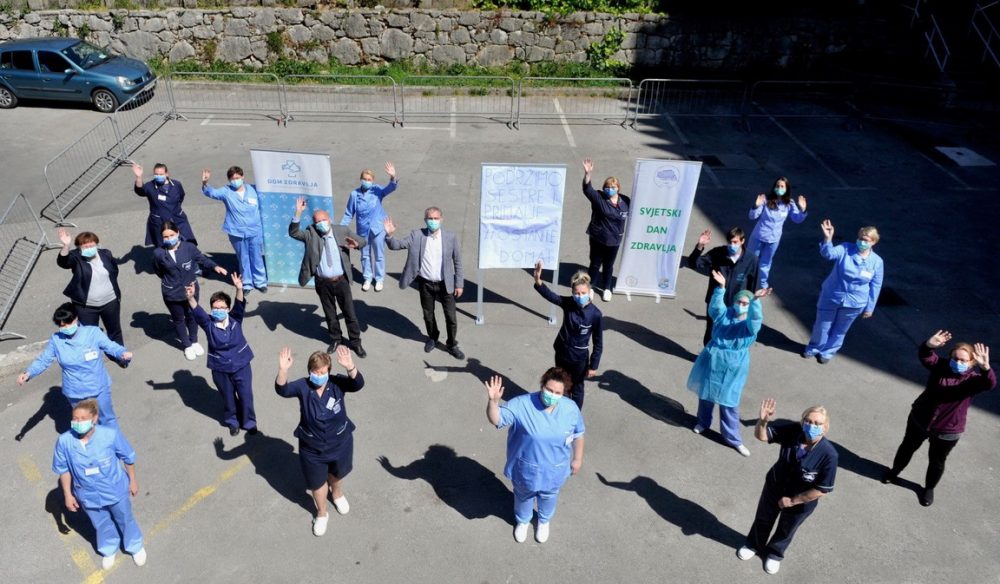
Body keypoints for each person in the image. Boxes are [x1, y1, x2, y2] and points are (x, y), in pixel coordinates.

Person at [881, 331, 994, 506]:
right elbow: (926, 357)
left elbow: (989, 384)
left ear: (972, 362)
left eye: (963, 360)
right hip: (920, 419)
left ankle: (929, 488)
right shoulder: (941, 367)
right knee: (907, 448)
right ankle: (894, 472)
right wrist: (929, 345)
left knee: (937, 460)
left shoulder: (974, 380)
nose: (958, 363)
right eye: (955, 359)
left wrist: (986, 368)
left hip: (948, 429)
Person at [484, 368, 585, 544]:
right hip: (526, 468)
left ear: (564, 393)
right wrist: (493, 402)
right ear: (542, 385)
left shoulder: (570, 408)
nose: (552, 395)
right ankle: (523, 521)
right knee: (523, 496)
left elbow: (578, 434)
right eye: (549, 389)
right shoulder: (522, 404)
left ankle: (544, 521)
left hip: (555, 469)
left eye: (557, 392)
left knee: (549, 496)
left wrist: (577, 459)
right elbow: (497, 419)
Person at [738, 398, 837, 575]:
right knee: (763, 518)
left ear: (825, 427)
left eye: (817, 423)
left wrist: (792, 501)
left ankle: (775, 554)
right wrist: (763, 421)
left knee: (787, 528)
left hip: (801, 500)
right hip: (775, 487)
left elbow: (822, 489)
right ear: (802, 421)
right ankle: (753, 544)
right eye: (808, 421)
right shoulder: (794, 431)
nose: (811, 425)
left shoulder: (829, 455)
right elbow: (762, 436)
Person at [275, 346, 364, 536]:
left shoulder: (337, 383)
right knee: (317, 483)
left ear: (329, 371)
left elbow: (358, 384)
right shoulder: (303, 386)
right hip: (312, 449)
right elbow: (282, 390)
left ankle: (337, 494)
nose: (319, 375)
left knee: (337, 474)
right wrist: (283, 370)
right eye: (315, 371)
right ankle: (322, 513)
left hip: (340, 444)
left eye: (323, 372)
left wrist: (350, 367)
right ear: (310, 371)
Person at [52, 399, 146, 570]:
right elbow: (63, 469)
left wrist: (133, 480)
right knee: (101, 523)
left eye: (82, 418)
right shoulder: (64, 441)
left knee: (125, 518)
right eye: (75, 418)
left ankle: (135, 546)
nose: (77, 422)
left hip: (114, 489)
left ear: (94, 419)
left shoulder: (110, 435)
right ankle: (109, 548)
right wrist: (68, 494)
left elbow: (128, 457)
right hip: (87, 494)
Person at [687, 271, 766, 456]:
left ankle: (733, 439)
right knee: (706, 394)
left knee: (729, 402)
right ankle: (703, 422)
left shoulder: (749, 324)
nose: (741, 305)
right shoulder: (725, 315)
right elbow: (715, 309)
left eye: (745, 303)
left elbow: (756, 320)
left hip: (734, 366)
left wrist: (755, 301)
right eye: (739, 302)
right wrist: (721, 289)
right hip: (713, 360)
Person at [18, 304, 132, 429]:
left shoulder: (92, 332)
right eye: (61, 325)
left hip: (98, 387)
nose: (65, 327)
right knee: (84, 425)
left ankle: (116, 446)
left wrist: (122, 353)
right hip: (75, 392)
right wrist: (28, 373)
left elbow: (111, 346)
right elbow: (43, 360)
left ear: (76, 318)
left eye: (68, 323)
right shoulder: (56, 340)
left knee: (107, 421)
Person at [289, 197, 368, 358]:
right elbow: (294, 233)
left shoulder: (342, 230)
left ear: (330, 219)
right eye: (318, 222)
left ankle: (355, 342)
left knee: (349, 313)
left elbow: (363, 241)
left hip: (341, 281)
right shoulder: (311, 233)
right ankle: (336, 339)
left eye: (324, 220)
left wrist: (356, 244)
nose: (321, 224)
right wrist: (298, 212)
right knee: (330, 313)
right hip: (323, 282)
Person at [384, 208, 465, 360]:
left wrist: (459, 283)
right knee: (428, 315)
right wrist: (389, 235)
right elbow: (397, 245)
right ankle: (433, 337)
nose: (433, 221)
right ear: (425, 220)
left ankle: (452, 344)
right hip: (425, 283)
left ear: (441, 219)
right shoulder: (417, 235)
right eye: (430, 218)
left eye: (435, 218)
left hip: (445, 283)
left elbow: (458, 261)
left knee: (451, 317)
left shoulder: (450, 237)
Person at [802, 220, 884, 364]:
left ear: (873, 242)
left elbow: (876, 285)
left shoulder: (877, 262)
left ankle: (828, 352)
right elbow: (828, 254)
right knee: (822, 325)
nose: (861, 242)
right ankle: (814, 348)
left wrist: (869, 308)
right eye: (860, 238)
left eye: (865, 240)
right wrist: (828, 239)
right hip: (831, 296)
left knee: (840, 330)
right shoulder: (846, 248)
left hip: (855, 302)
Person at [186, 273, 257, 436]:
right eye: (215, 308)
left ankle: (249, 422)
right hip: (220, 369)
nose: (218, 310)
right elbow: (197, 312)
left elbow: (239, 304)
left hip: (241, 366)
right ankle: (232, 421)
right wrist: (190, 297)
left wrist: (239, 288)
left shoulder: (235, 319)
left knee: (246, 396)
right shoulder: (208, 323)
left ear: (227, 309)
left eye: (222, 307)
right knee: (229, 398)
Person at [531, 260, 603, 411]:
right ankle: (560, 410)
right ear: (572, 292)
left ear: (589, 292)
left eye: (583, 293)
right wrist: (538, 281)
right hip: (562, 352)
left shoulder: (595, 314)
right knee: (561, 384)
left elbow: (598, 342)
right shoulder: (569, 303)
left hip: (579, 359)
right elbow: (552, 297)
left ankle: (574, 413)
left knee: (576, 388)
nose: (579, 296)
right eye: (576, 293)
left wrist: (593, 365)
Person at [153, 220, 228, 360]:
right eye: (165, 237)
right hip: (172, 293)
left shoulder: (189, 247)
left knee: (192, 316)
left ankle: (194, 340)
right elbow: (158, 271)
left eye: (171, 235)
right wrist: (170, 281)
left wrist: (215, 267)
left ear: (178, 233)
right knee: (179, 319)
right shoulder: (158, 253)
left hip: (191, 290)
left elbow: (202, 259)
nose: (169, 239)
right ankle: (187, 345)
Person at [688, 227, 760, 345]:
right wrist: (700, 246)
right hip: (716, 301)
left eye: (735, 242)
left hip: (737, 305)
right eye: (730, 242)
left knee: (732, 334)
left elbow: (753, 286)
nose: (732, 245)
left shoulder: (751, 260)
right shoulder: (718, 253)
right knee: (711, 331)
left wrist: (751, 305)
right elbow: (693, 264)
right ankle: (708, 357)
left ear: (742, 241)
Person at [201, 166, 267, 293]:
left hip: (255, 230)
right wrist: (205, 183)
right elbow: (211, 193)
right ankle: (247, 283)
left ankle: (260, 281)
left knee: (256, 257)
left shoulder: (254, 189)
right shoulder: (226, 191)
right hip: (236, 231)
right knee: (243, 258)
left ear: (243, 177)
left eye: (237, 178)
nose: (235, 180)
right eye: (232, 179)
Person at [56, 229, 125, 348]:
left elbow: (114, 271)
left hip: (110, 302)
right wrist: (66, 245)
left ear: (97, 245)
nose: (89, 248)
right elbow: (63, 262)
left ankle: (120, 354)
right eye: (85, 246)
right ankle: (93, 357)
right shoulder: (76, 257)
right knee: (88, 334)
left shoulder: (106, 254)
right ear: (79, 248)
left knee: (114, 330)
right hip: (86, 307)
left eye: (91, 245)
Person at [339, 162, 398, 292]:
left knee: (379, 255)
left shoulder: (377, 190)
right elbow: (349, 213)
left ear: (373, 180)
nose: (367, 181)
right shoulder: (354, 194)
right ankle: (367, 277)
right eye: (364, 179)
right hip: (363, 230)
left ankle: (379, 279)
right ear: (361, 180)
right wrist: (340, 228)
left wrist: (393, 177)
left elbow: (390, 188)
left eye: (369, 179)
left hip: (378, 229)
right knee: (365, 255)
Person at [581, 158, 630, 302]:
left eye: (613, 187)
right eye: (607, 187)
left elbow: (637, 210)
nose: (609, 189)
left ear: (618, 188)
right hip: (598, 238)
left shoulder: (626, 201)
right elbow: (587, 189)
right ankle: (590, 286)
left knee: (609, 265)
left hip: (615, 240)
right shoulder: (600, 198)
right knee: (595, 264)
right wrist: (587, 174)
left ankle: (607, 288)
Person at [747, 176, 807, 291]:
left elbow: (797, 219)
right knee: (751, 259)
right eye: (778, 186)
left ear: (786, 189)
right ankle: (746, 280)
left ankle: (762, 284)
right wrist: (756, 206)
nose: (779, 188)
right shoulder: (765, 200)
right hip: (758, 236)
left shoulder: (789, 204)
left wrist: (803, 210)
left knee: (765, 263)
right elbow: (752, 216)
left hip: (773, 240)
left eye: (782, 186)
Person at [132, 162, 197, 247]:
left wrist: (175, 209)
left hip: (178, 218)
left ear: (166, 173)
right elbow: (140, 190)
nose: (158, 176)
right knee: (163, 246)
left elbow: (181, 196)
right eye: (156, 174)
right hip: (159, 221)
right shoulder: (150, 186)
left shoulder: (176, 184)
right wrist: (139, 177)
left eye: (161, 174)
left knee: (188, 242)